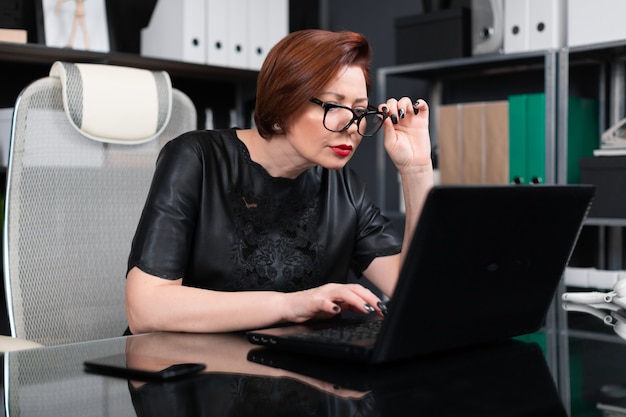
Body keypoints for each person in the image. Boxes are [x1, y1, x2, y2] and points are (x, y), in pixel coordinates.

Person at [125, 29, 434, 334]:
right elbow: (146, 307)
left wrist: (417, 169)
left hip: (292, 370)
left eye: (358, 110)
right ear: (283, 105)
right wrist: (293, 305)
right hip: (194, 371)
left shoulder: (344, 187)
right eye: (332, 106)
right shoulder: (197, 158)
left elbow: (418, 294)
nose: (350, 126)